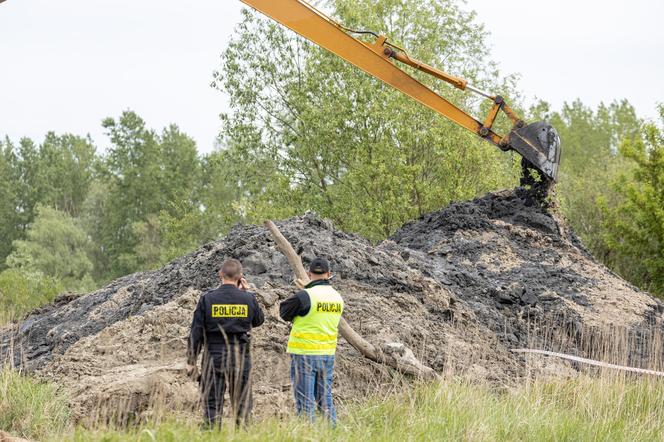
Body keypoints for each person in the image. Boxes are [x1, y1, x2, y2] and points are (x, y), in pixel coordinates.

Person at [187, 258, 264, 428]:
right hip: (241, 355)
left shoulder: (207, 298)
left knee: (212, 403)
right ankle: (243, 435)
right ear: (240, 276)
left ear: (220, 274)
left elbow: (196, 331)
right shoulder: (248, 298)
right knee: (242, 403)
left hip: (214, 355)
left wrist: (191, 361)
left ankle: (211, 434)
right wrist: (247, 292)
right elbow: (258, 321)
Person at [279, 257, 344, 424]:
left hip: (305, 355)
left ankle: (308, 436)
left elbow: (284, 312)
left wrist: (304, 291)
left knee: (305, 403)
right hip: (327, 355)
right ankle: (332, 435)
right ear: (329, 274)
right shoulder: (337, 298)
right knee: (326, 401)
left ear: (309, 274)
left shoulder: (305, 295)